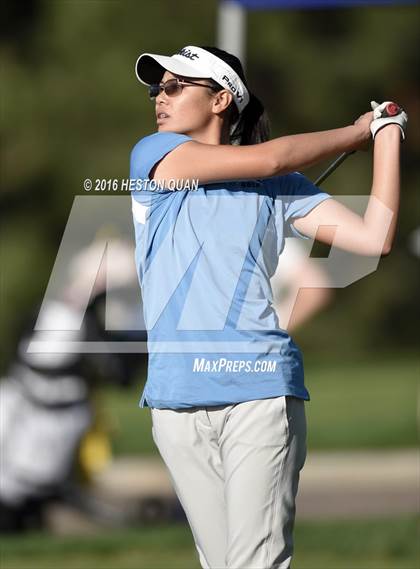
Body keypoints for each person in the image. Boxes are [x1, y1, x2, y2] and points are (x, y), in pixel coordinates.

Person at [130, 45, 406, 568]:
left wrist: (388, 134)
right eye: (156, 89)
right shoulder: (154, 158)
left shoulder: (281, 191)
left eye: (174, 87)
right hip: (174, 401)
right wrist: (355, 134)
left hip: (258, 392)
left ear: (220, 100)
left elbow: (375, 237)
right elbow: (271, 156)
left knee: (257, 562)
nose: (159, 99)